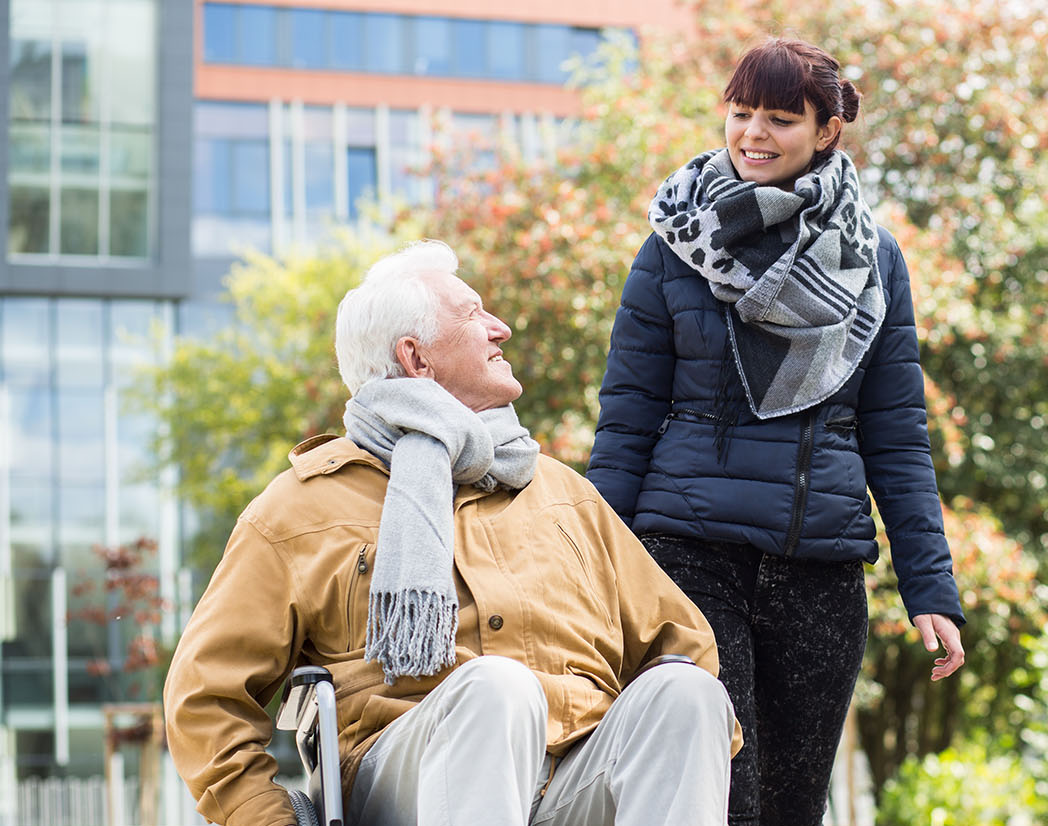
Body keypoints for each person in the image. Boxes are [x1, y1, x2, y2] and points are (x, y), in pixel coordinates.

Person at [164, 240, 738, 826]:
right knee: (495, 689)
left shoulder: (561, 490)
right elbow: (206, 700)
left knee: (685, 693)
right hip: (407, 782)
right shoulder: (298, 509)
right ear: (416, 357)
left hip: (577, 776)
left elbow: (683, 643)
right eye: (473, 314)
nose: (501, 328)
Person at [586, 37, 965, 826]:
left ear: (826, 131)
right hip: (689, 553)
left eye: (780, 118)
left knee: (794, 805)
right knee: (726, 791)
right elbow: (627, 418)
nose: (753, 132)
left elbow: (895, 433)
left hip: (821, 570)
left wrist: (930, 585)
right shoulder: (673, 247)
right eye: (741, 111)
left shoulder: (873, 260)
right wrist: (592, 570)